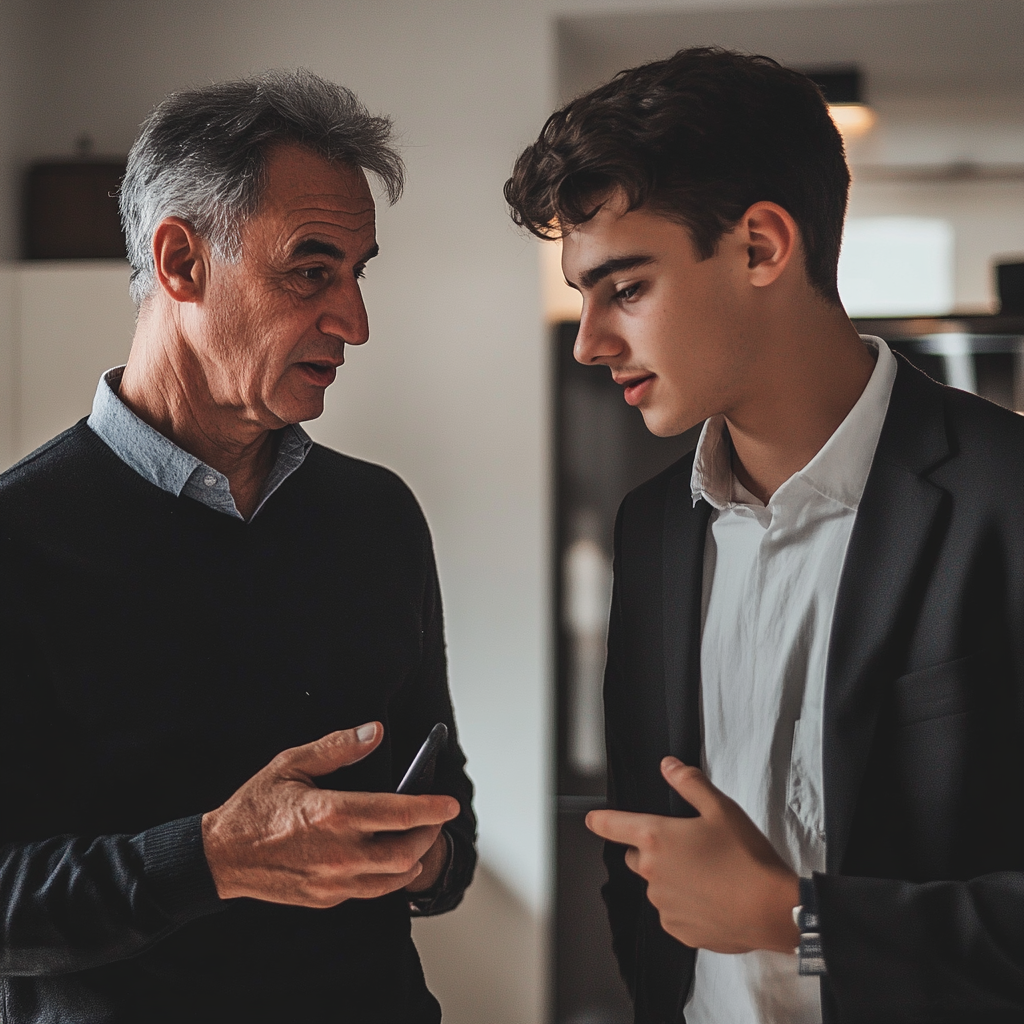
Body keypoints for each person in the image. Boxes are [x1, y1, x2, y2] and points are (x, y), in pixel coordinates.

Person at [505, 46, 1023, 1024]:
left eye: (624, 286)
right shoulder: (651, 526)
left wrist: (800, 917)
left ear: (759, 246)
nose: (588, 340)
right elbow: (641, 859)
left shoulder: (1008, 498)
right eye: (580, 293)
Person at [0, 70, 476, 1023]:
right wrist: (216, 854)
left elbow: (443, 784)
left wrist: (428, 854)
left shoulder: (379, 516)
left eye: (357, 272)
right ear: (180, 262)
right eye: (311, 269)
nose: (355, 321)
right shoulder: (18, 540)